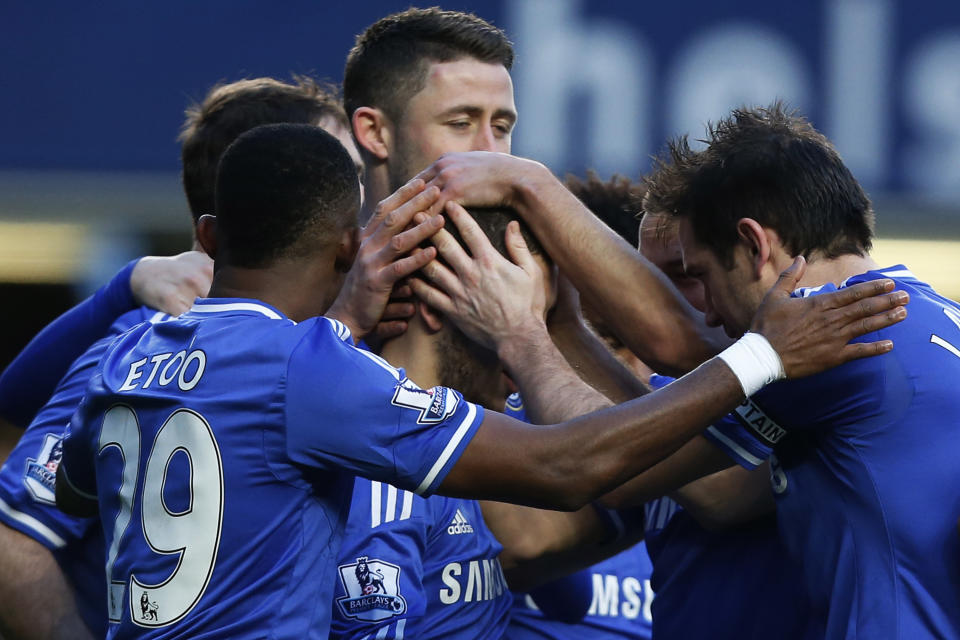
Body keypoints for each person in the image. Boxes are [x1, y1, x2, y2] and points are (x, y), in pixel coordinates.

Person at [57, 120, 906, 639]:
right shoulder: (313, 374)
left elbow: (70, 484)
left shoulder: (127, 357)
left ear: (208, 233)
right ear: (353, 249)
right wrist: (761, 357)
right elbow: (562, 469)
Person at [412, 102, 956, 638]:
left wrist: (521, 330)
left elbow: (617, 467)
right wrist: (563, 326)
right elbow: (705, 480)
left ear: (753, 243)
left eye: (697, 275)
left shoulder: (839, 336)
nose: (711, 312)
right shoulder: (926, 316)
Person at [0, 76, 409, 640]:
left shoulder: (320, 343)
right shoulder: (142, 342)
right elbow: (12, 541)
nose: (354, 204)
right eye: (337, 176)